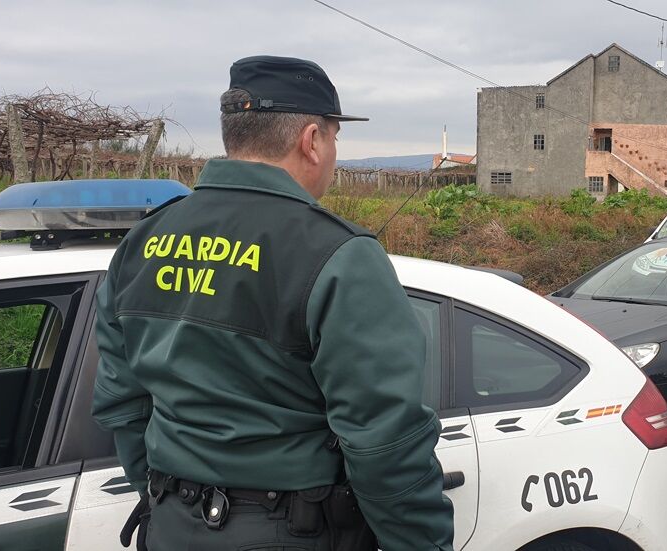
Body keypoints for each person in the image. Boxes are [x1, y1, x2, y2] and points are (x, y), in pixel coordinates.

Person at [92, 55, 454, 550]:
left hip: (171, 525)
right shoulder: (338, 254)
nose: (331, 153)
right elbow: (384, 440)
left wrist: (163, 499)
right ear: (311, 141)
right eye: (333, 139)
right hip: (294, 530)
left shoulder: (142, 241)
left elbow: (122, 403)